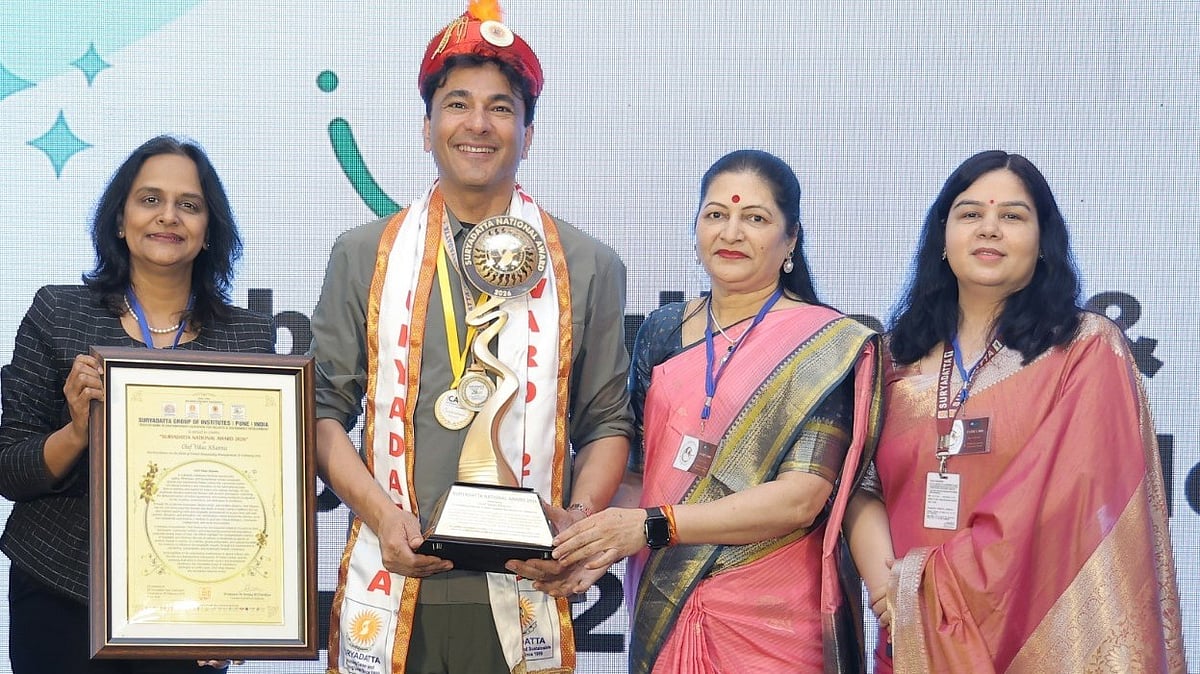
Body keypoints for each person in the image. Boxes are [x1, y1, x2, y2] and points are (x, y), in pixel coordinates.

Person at [308, 2, 632, 672]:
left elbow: (606, 424)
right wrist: (379, 515)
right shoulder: (362, 253)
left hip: (524, 587)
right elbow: (321, 415)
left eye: (501, 107)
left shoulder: (589, 264)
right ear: (427, 128)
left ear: (528, 132)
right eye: (457, 104)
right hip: (397, 579)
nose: (477, 124)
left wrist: (576, 519)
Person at [845, 150, 1187, 672]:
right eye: (970, 214)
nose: (989, 229)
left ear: (1043, 244)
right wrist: (891, 591)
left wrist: (938, 589)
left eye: (1012, 215)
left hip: (1035, 635)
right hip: (912, 638)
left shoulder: (1085, 350)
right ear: (942, 238)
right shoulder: (892, 358)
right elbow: (861, 485)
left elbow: (1068, 506)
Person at [545, 149, 883, 673]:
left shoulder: (824, 345)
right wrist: (593, 540)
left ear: (790, 240)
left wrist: (653, 526)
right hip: (666, 599)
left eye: (755, 218)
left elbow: (803, 497)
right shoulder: (663, 330)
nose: (731, 232)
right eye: (716, 215)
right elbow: (638, 472)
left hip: (774, 616)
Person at [0, 135, 274, 673]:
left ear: (208, 230)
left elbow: (261, 492)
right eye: (149, 200)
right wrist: (76, 432)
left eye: (188, 205)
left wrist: (248, 611)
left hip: (192, 604)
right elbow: (10, 468)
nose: (167, 216)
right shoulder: (58, 312)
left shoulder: (249, 338)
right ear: (120, 220)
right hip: (62, 593)